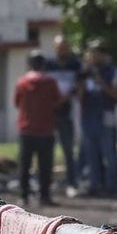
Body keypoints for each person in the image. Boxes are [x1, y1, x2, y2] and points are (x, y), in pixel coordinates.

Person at [13, 50, 61, 205]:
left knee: (24, 165)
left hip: (26, 128)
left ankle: (23, 195)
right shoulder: (50, 82)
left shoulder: (22, 82)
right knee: (45, 166)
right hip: (46, 129)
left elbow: (16, 102)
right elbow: (57, 100)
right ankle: (44, 196)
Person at [78, 41, 117, 198]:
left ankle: (112, 187)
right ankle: (95, 185)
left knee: (109, 153)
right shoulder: (85, 71)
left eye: (95, 52)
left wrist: (101, 83)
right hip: (89, 117)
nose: (92, 56)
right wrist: (81, 84)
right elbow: (79, 96)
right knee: (91, 154)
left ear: (103, 54)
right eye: (90, 52)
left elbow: (116, 94)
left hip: (106, 116)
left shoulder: (112, 71)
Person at [47, 34, 81, 184]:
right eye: (59, 48)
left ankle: (71, 181)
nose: (62, 50)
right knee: (47, 150)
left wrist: (66, 97)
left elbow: (79, 86)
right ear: (55, 48)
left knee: (68, 149)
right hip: (49, 113)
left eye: (64, 47)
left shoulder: (75, 64)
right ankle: (48, 181)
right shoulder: (48, 64)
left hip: (67, 112)